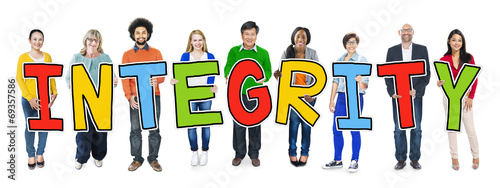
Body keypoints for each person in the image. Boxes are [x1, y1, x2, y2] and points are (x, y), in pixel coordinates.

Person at [65, 29, 118, 170]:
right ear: (85, 40)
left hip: (101, 101)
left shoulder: (105, 58)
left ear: (99, 42)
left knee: (100, 131)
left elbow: (112, 76)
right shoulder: (77, 58)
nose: (93, 42)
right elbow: (68, 77)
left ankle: (99, 156)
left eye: (96, 40)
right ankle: (81, 157)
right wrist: (70, 83)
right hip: (83, 102)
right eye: (90, 39)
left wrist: (114, 82)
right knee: (83, 132)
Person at [224, 21, 272, 167]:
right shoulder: (234, 51)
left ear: (256, 36)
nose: (249, 37)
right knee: (238, 125)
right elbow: (228, 68)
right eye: (247, 34)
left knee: (255, 125)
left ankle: (254, 154)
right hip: (237, 94)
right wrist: (227, 75)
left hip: (257, 95)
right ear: (242, 35)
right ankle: (239, 154)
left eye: (252, 34)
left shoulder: (263, 53)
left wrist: (265, 77)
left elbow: (268, 71)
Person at [321, 33, 368, 173]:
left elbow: (365, 86)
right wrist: (331, 100)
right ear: (345, 44)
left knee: (354, 129)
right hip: (341, 98)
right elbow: (335, 82)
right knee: (336, 129)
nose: (351, 45)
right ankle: (337, 160)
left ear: (357, 44)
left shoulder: (361, 59)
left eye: (354, 42)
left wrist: (360, 81)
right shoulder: (339, 60)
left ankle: (354, 160)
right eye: (349, 42)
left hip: (355, 97)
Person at [170, 29, 218, 166]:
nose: (198, 43)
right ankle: (194, 152)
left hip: (205, 95)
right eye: (195, 40)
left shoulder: (210, 56)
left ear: (204, 41)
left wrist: (215, 88)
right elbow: (180, 75)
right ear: (191, 41)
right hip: (189, 95)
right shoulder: (185, 56)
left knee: (205, 125)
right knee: (191, 126)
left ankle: (205, 152)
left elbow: (212, 77)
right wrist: (173, 81)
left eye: (200, 40)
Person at [385, 24, 430, 170]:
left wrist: (416, 90)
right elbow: (388, 74)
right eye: (403, 30)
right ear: (399, 32)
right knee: (399, 129)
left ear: (413, 32)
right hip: (398, 97)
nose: (406, 32)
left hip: (415, 96)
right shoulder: (392, 51)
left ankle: (415, 158)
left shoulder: (422, 49)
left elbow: (426, 73)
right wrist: (392, 92)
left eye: (408, 30)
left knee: (416, 128)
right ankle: (400, 159)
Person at [122, 18, 165, 172]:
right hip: (135, 97)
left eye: (144, 32)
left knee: (154, 129)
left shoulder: (156, 52)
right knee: (135, 129)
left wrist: (157, 80)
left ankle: (153, 158)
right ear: (133, 35)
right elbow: (125, 78)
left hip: (154, 96)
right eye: (138, 32)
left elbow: (161, 75)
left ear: (148, 34)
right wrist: (129, 96)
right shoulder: (127, 55)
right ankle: (137, 159)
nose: (141, 35)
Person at [273, 27, 318, 167]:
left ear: (307, 39)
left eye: (304, 37)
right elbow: (282, 77)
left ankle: (305, 153)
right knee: (293, 125)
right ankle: (292, 152)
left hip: (308, 96)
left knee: (306, 125)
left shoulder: (313, 53)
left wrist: (313, 94)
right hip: (292, 96)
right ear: (293, 38)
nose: (300, 39)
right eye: (298, 36)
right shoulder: (287, 52)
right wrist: (277, 76)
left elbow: (318, 74)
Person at [437, 29, 479, 170]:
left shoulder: (468, 58)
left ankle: (476, 155)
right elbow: (442, 80)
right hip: (450, 98)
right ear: (449, 41)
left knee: (470, 128)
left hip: (465, 97)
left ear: (463, 42)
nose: (457, 43)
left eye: (459, 40)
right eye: (454, 40)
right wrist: (439, 83)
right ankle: (454, 157)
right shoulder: (444, 60)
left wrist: (471, 97)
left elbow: (474, 79)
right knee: (452, 128)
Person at [16, 29, 57, 170]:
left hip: (44, 98)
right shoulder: (23, 58)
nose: (37, 42)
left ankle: (40, 153)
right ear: (29, 40)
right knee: (30, 127)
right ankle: (31, 154)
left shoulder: (47, 57)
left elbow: (51, 76)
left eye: (40, 39)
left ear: (43, 41)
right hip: (29, 100)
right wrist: (30, 98)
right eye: (34, 39)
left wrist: (54, 92)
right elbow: (20, 79)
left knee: (44, 126)